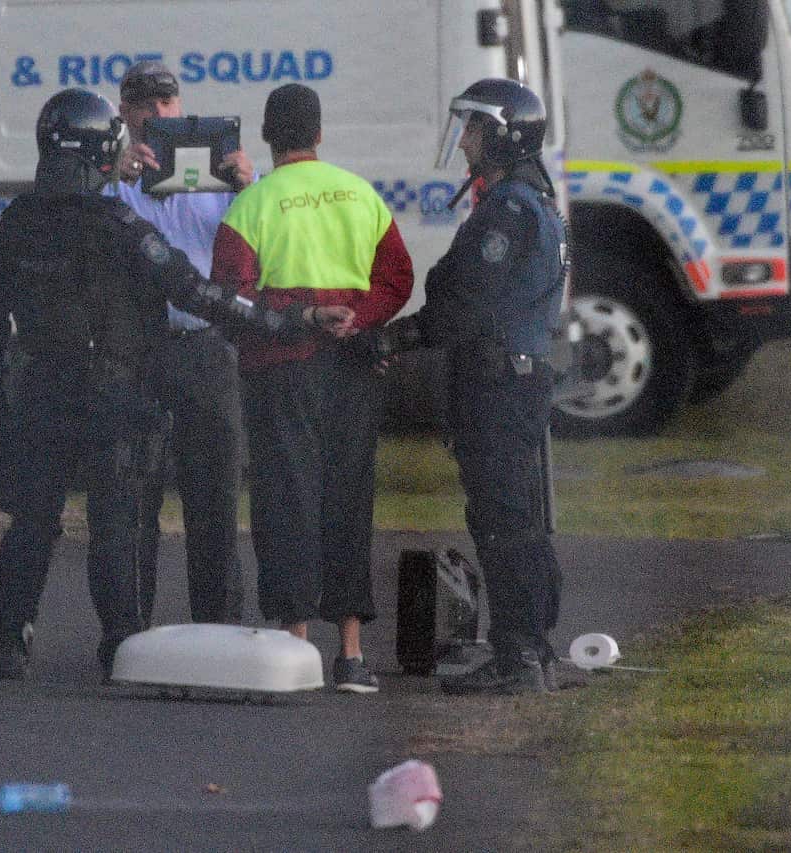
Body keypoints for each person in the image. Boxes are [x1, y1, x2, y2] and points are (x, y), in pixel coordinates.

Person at [0, 87, 354, 682]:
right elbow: (199, 294)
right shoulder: (117, 225)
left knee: (33, 519)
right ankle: (120, 643)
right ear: (103, 154)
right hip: (112, 394)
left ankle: (13, 635)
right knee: (115, 521)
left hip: (39, 390)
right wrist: (288, 322)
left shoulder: (16, 223)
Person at [351, 78, 568, 695]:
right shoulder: (531, 202)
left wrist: (395, 339)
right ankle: (532, 649)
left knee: (503, 519)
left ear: (501, 135)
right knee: (516, 516)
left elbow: (462, 302)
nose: (465, 140)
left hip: (499, 380)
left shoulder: (508, 212)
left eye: (473, 128)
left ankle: (520, 655)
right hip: (515, 375)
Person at [210, 84, 414, 694]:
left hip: (281, 369)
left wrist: (299, 311)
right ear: (320, 135)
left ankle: (295, 647)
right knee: (348, 498)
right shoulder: (360, 194)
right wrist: (359, 317)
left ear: (268, 140)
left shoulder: (252, 205)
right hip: (352, 367)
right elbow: (397, 278)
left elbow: (230, 297)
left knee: (285, 499)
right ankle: (351, 653)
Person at [103, 60, 253, 626]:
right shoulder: (113, 177)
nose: (160, 113)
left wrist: (248, 187)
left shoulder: (210, 174)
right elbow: (88, 229)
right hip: (138, 351)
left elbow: (253, 250)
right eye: (147, 104)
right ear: (127, 113)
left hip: (206, 348)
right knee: (132, 503)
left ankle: (220, 632)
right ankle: (128, 635)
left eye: (168, 103)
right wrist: (110, 175)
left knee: (214, 501)